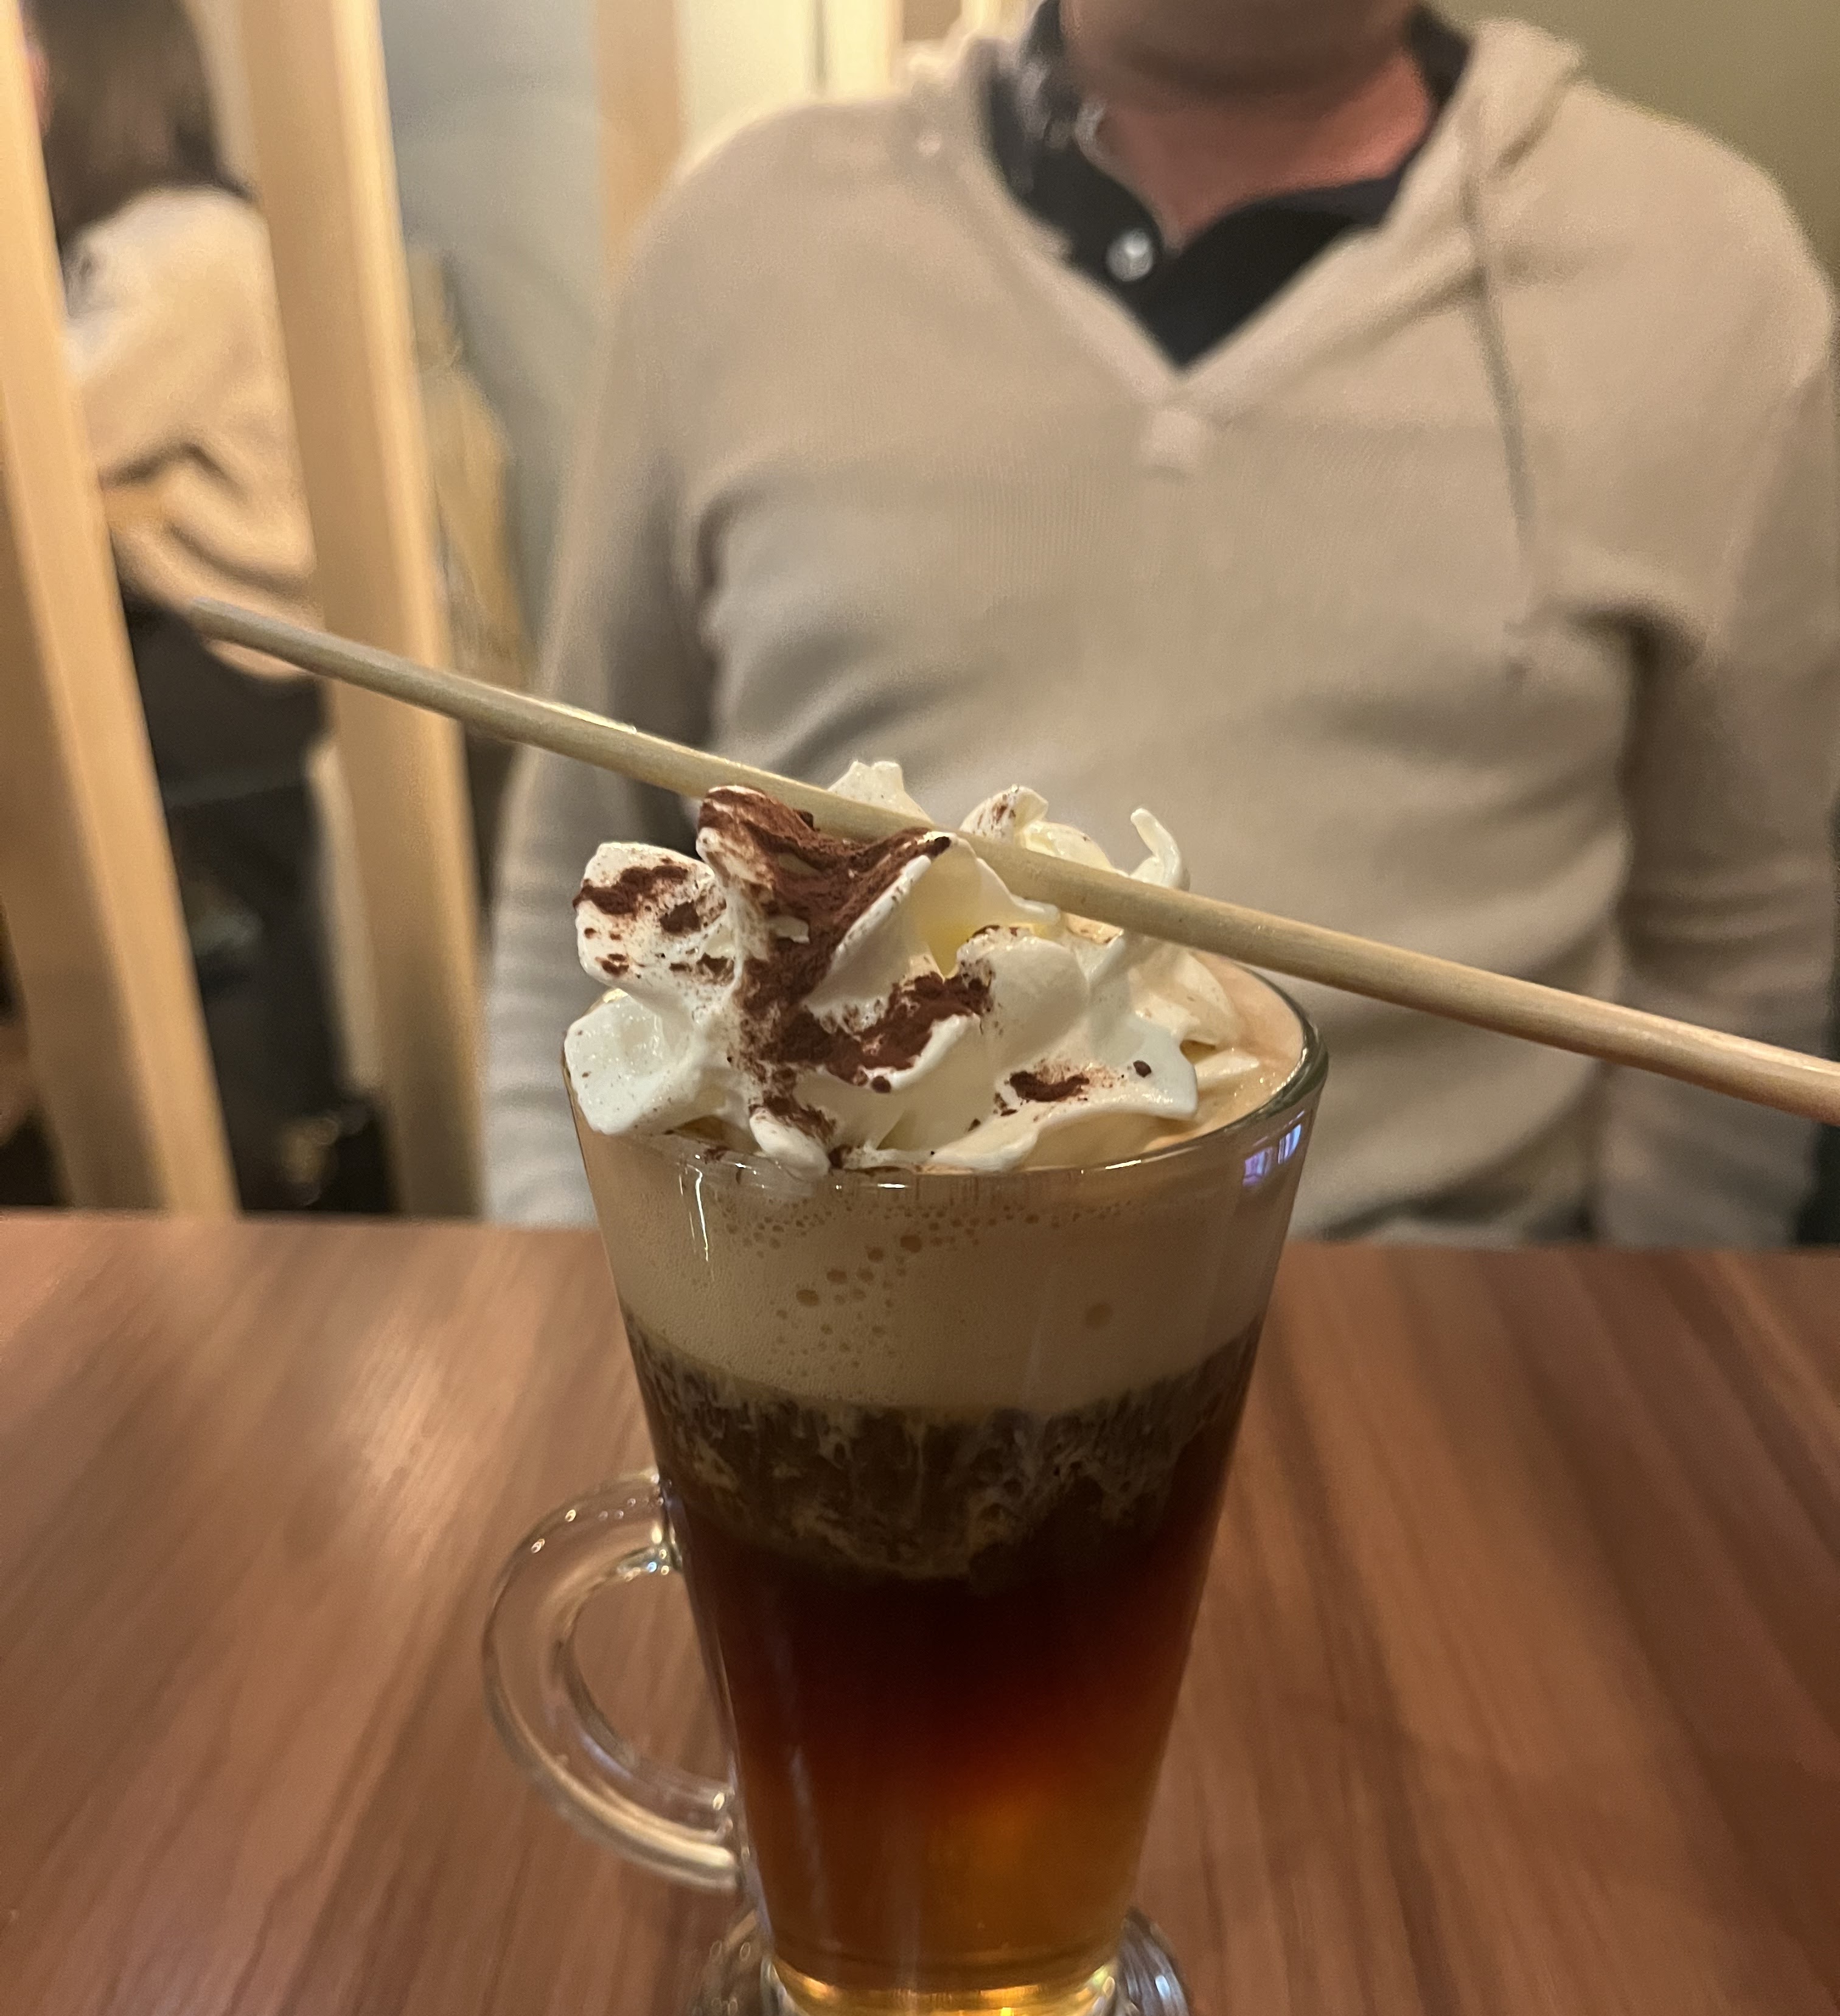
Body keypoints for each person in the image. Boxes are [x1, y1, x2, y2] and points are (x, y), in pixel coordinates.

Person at [486, 1, 1840, 1246]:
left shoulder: (1707, 269)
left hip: (1463, 1299)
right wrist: (590, 1287)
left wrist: (1646, 1321)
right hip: (813, 1262)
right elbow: (582, 850)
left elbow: (1743, 942)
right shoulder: (737, 236)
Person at [26, 0, 347, 1205]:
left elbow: (47, 430)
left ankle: (221, 1157)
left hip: (252, 646)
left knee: (61, 777)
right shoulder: (181, 235)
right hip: (261, 638)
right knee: (261, 906)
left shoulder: (174, 248)